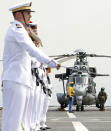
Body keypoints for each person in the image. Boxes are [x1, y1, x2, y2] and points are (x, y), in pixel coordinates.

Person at [1, 2, 60, 131]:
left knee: (19, 121)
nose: (29, 16)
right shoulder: (17, 29)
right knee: (13, 121)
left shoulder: (19, 30)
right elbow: (31, 49)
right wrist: (49, 62)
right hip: (15, 79)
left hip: (21, 80)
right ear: (18, 14)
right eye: (27, 13)